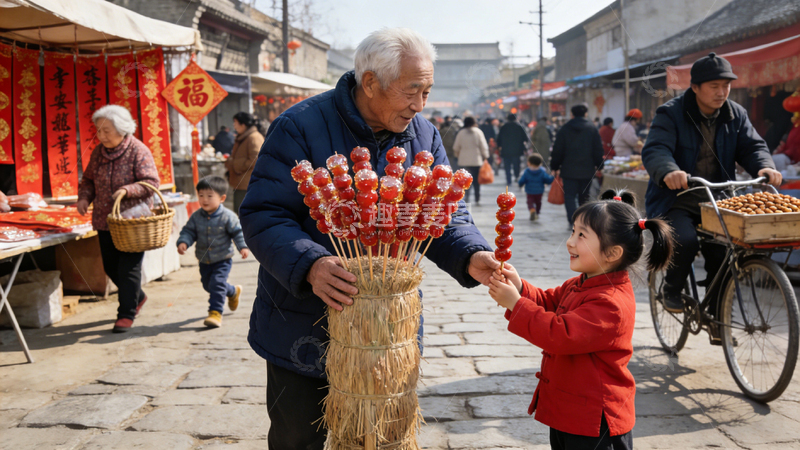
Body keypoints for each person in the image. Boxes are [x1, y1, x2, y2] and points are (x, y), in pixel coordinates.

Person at [238, 28, 498, 449]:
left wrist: (471, 253)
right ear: (371, 82)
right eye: (411, 91)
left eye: (427, 91)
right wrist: (311, 263)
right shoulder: (299, 127)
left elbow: (442, 213)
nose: (420, 105)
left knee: (378, 438)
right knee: (297, 437)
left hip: (386, 333)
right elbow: (264, 212)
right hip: (304, 323)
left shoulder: (424, 135)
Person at [488, 190, 675, 450]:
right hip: (571, 414)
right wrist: (519, 287)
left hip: (595, 423)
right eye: (573, 232)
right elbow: (548, 302)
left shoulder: (610, 302)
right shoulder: (581, 283)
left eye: (581, 235)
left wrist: (515, 305)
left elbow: (560, 335)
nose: (570, 242)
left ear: (612, 253)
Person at [642, 52, 781, 318]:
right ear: (695, 87)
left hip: (717, 199)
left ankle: (718, 313)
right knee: (684, 240)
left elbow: (753, 147)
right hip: (676, 199)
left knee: (726, 249)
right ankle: (671, 288)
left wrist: (765, 166)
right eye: (714, 86)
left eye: (726, 86)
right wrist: (669, 171)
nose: (721, 92)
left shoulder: (736, 114)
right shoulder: (671, 113)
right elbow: (657, 149)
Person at [76, 105, 160, 333]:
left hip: (132, 223)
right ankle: (138, 297)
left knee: (128, 269)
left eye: (106, 130)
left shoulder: (138, 150)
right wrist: (84, 198)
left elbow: (151, 183)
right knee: (111, 267)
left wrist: (127, 190)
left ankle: (126, 314)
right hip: (105, 221)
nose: (101, 135)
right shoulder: (98, 153)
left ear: (122, 129)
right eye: (98, 130)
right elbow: (89, 181)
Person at [177, 176, 248, 328]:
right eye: (201, 195)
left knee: (217, 284)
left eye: (210, 196)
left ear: (222, 198)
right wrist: (184, 242)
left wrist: (242, 247)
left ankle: (215, 313)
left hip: (222, 259)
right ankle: (232, 291)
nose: (204, 199)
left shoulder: (228, 217)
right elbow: (189, 231)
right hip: (204, 260)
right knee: (208, 285)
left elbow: (237, 233)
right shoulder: (196, 217)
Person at [550, 103, 605, 227]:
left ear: (572, 114)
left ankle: (572, 219)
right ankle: (582, 219)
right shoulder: (592, 129)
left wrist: (554, 166)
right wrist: (599, 165)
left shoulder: (564, 129)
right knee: (584, 196)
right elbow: (598, 149)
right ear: (585, 114)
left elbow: (557, 150)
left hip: (568, 170)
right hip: (587, 170)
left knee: (569, 196)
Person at [225, 112, 265, 214]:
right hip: (241, 182)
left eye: (235, 122)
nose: (234, 125)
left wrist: (235, 164)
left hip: (247, 183)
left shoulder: (253, 137)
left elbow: (256, 159)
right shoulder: (244, 136)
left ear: (243, 124)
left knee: (243, 213)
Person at [453, 116, 489, 204]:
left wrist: (458, 156)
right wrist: (485, 156)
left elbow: (456, 147)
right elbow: (483, 146)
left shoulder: (461, 133)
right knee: (476, 181)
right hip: (476, 161)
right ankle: (477, 198)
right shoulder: (478, 132)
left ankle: (466, 197)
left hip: (464, 161)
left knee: (465, 181)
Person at [518, 154, 554, 221]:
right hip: (539, 191)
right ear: (540, 163)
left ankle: (532, 210)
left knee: (530, 202)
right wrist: (552, 177)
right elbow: (547, 180)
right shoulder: (542, 171)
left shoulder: (527, 171)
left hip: (529, 191)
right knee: (538, 202)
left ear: (529, 163)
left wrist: (520, 184)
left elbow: (522, 180)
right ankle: (537, 213)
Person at [497, 113, 529, 186]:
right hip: (517, 150)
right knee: (516, 164)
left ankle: (508, 179)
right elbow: (525, 138)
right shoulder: (519, 127)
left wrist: (499, 147)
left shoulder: (504, 127)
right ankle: (516, 176)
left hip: (506, 150)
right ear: (515, 118)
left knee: (507, 166)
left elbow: (498, 139)